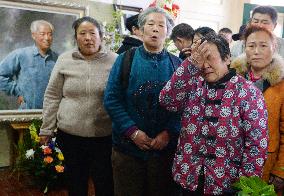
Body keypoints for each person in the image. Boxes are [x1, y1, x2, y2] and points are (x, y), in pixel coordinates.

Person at [159, 33, 268, 195]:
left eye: (210, 58)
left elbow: (257, 144)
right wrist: (190, 65)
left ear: (227, 58)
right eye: (200, 59)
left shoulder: (248, 92)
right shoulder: (192, 83)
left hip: (226, 184)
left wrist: (245, 186)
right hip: (188, 177)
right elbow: (167, 101)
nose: (204, 65)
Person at [104, 7, 182, 196]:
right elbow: (112, 99)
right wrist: (132, 132)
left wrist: (169, 133)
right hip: (127, 150)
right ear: (140, 29)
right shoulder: (125, 59)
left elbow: (185, 104)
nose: (155, 29)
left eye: (161, 25)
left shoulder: (177, 65)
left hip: (164, 152)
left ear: (168, 32)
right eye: (150, 24)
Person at [39, 16, 117, 196]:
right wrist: (46, 129)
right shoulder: (65, 60)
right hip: (71, 136)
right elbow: (52, 95)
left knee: (105, 183)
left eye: (92, 33)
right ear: (76, 38)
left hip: (104, 137)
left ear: (101, 36)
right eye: (82, 33)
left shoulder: (115, 60)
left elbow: (122, 97)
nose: (88, 37)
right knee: (76, 184)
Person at [231, 25, 284, 195]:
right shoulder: (232, 79)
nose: (256, 51)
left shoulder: (281, 85)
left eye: (263, 45)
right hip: (231, 160)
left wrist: (280, 172)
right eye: (251, 45)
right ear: (244, 47)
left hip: (266, 163)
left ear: (273, 48)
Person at [0, 20, 58, 109]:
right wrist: (17, 91)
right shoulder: (21, 55)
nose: (47, 38)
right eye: (42, 34)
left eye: (50, 34)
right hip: (27, 114)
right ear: (33, 35)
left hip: (52, 115)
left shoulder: (58, 59)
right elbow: (1, 75)